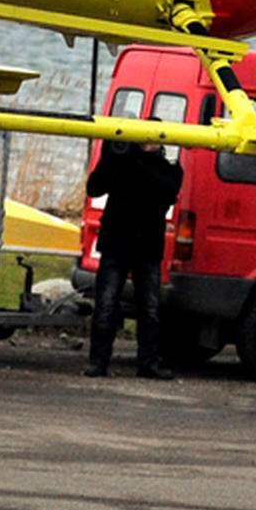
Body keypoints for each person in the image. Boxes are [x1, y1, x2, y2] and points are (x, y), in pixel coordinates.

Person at [83, 139, 182, 379]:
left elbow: (167, 193)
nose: (147, 144)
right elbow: (94, 188)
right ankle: (98, 362)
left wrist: (137, 160)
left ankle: (148, 363)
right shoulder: (121, 162)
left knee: (149, 309)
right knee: (106, 305)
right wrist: (110, 158)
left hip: (146, 247)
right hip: (117, 244)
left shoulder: (166, 168)